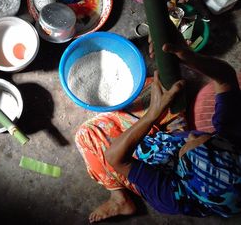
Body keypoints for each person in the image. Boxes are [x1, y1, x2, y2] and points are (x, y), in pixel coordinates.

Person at [75, 25, 241, 223]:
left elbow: (116, 158)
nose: (192, 134)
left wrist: (152, 114)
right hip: (169, 139)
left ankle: (119, 198)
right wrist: (188, 56)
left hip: (147, 163)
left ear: (185, 172)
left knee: (87, 133)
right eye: (205, 137)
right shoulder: (229, 147)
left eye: (193, 143)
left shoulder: (168, 196)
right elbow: (226, 79)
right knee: (159, 83)